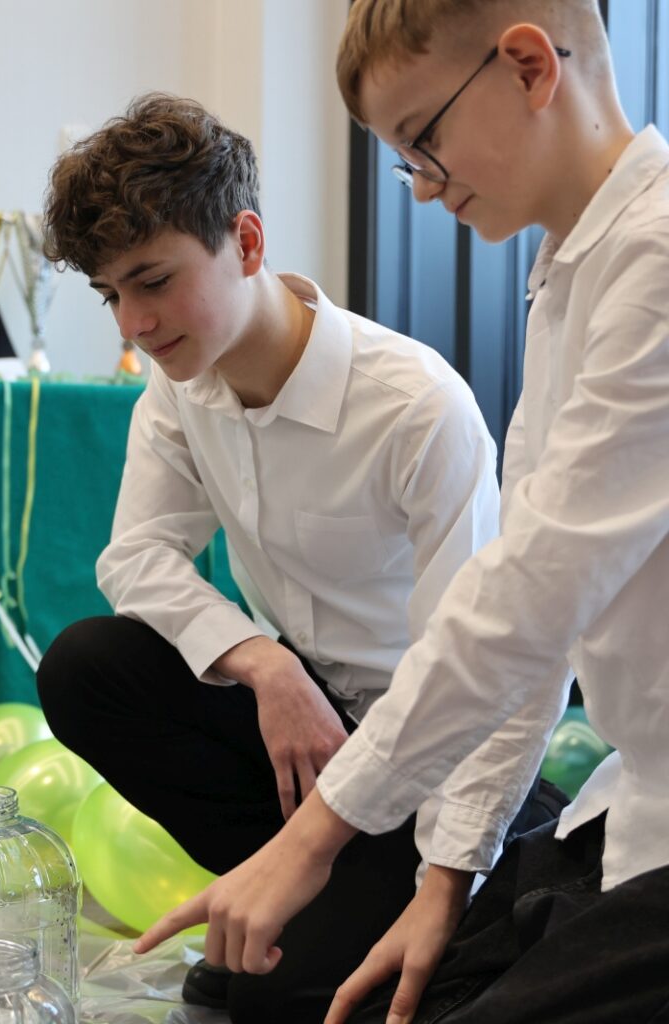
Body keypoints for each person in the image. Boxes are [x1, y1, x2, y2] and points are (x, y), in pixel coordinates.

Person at [135, 3, 669, 1023]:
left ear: (528, 66)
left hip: (530, 774)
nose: (422, 185)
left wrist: (309, 842)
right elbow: (533, 609)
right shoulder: (570, 273)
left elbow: (523, 603)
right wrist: (446, 878)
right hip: (620, 795)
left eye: (424, 139)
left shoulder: (653, 261)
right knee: (407, 984)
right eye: (402, 160)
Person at [35, 93, 563, 1024]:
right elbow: (136, 558)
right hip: (315, 731)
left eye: (153, 281)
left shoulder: (414, 405)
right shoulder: (181, 384)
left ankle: (418, 902)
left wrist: (445, 875)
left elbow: (496, 673)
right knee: (88, 668)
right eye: (111, 294)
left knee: (284, 1004)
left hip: (435, 748)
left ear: (245, 242)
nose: (134, 324)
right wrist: (265, 665)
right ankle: (303, 899)